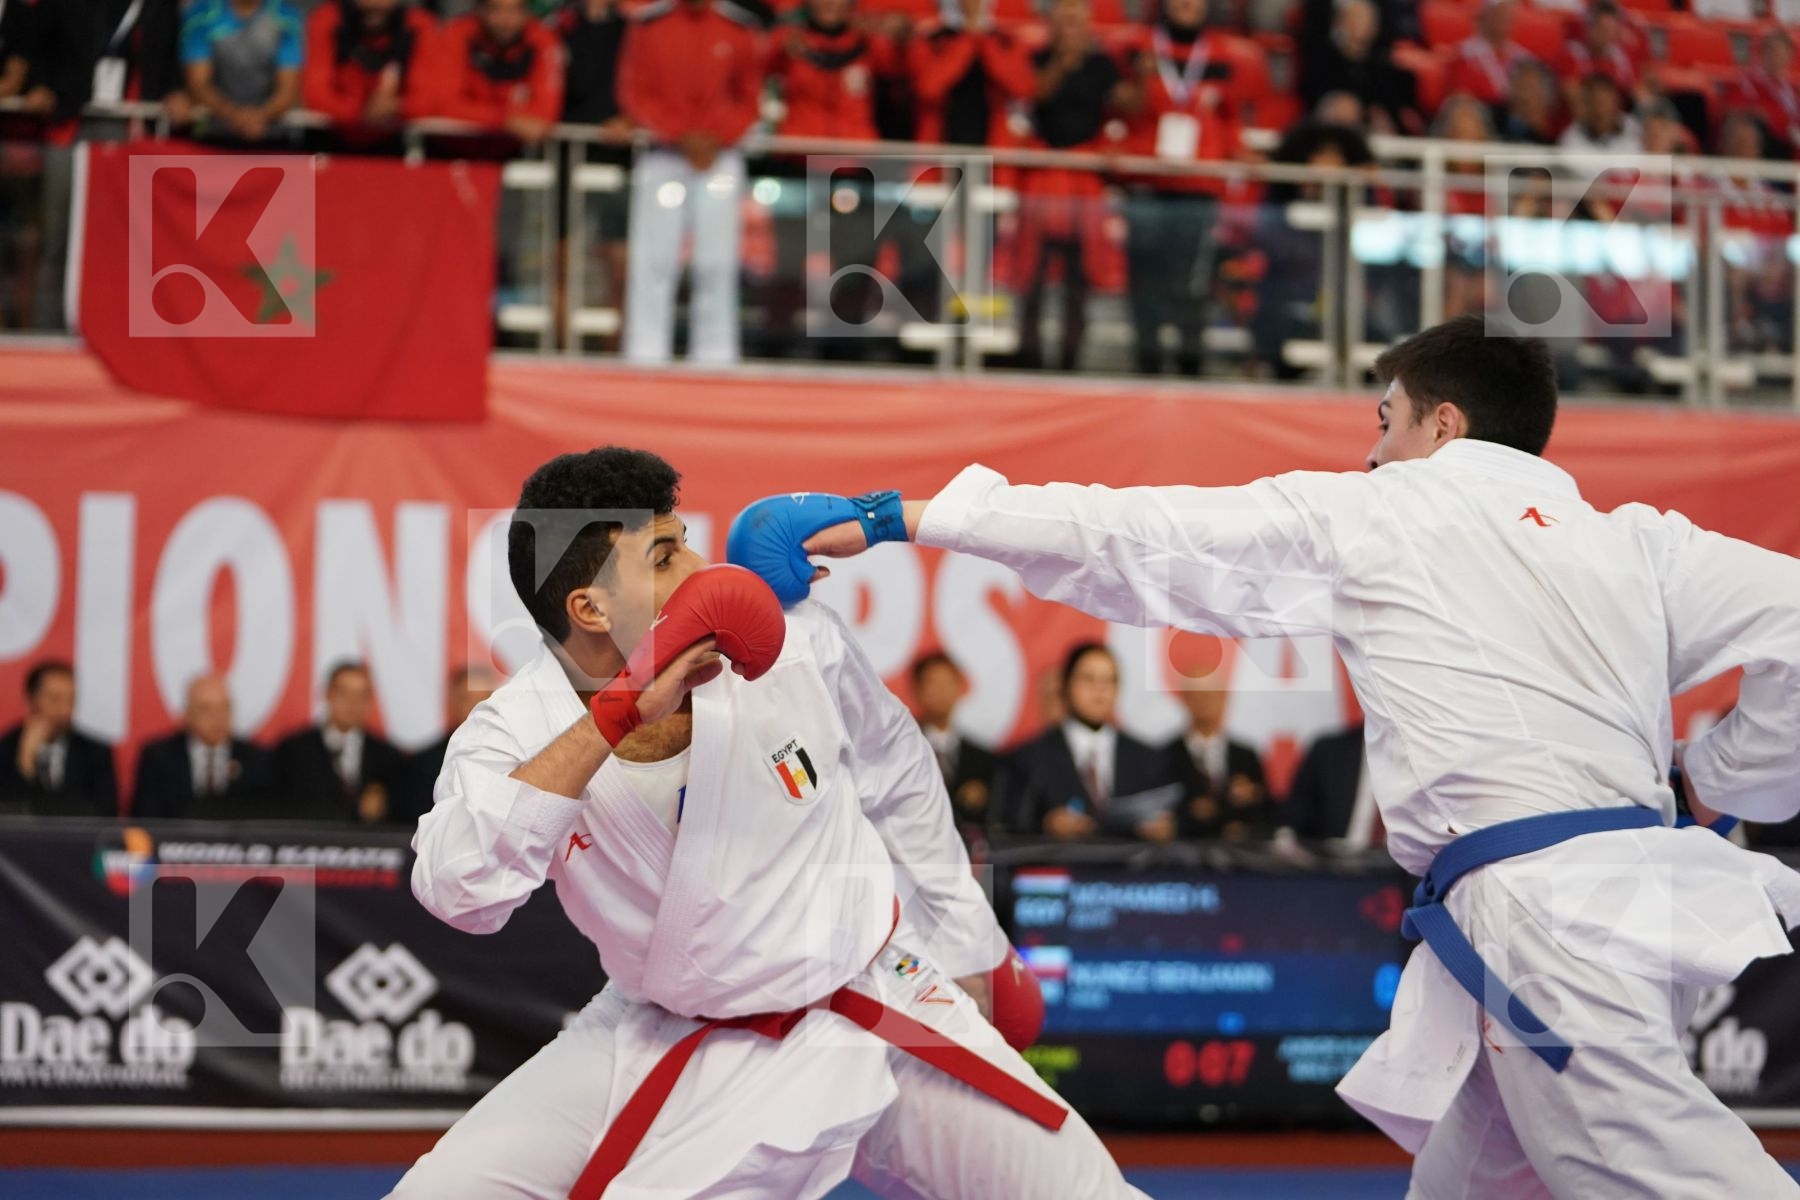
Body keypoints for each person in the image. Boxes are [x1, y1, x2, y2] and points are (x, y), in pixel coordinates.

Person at [742, 313, 1800, 1197]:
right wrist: (1718, 777)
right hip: (1614, 901)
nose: (1371, 447)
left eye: (1383, 419)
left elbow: (1139, 531)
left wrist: (902, 516)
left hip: (1539, 917)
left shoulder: (1388, 508)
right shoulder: (1640, 541)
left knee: (1672, 1176)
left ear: (1444, 421)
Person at [394, 447, 1138, 1199]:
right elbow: (461, 892)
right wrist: (617, 715)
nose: (700, 571)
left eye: (685, 540)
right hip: (669, 1028)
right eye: (663, 556)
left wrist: (969, 940)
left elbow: (896, 768)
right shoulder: (515, 730)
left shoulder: (787, 644)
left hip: (874, 999)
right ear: (589, 609)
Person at [616, 0, 764, 365]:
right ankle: (645, 354)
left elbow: (750, 98)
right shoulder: (649, 26)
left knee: (717, 261)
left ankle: (715, 356)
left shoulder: (738, 29)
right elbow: (634, 90)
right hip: (664, 155)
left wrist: (717, 137)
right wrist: (680, 134)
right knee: (653, 260)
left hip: (719, 157)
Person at [1120, 0, 1244, 378]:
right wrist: (1139, 80)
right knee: (1146, 281)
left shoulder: (1222, 54)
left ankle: (1191, 364)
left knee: (1193, 284)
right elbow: (1122, 108)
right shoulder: (1137, 47)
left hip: (1197, 188)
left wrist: (1239, 152)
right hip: (1147, 183)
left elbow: (1230, 117)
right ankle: (1148, 362)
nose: (1188, 4)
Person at [1011, 0, 1136, 373]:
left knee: (1079, 275)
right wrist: (1062, 63)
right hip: (1043, 173)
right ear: (1051, 25)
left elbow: (1127, 104)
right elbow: (1035, 95)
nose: (1071, 29)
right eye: (1064, 22)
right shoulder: (1038, 57)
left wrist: (1139, 73)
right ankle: (1028, 353)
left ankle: (1071, 355)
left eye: (1077, 22)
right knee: (1031, 270)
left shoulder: (1101, 65)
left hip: (1082, 178)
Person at [993, 643, 1185, 841]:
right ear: (1066, 686)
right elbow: (1005, 827)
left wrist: (1166, 829)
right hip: (1063, 868)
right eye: (1088, 678)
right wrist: (1045, 824)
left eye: (1109, 680)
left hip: (1130, 870)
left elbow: (1175, 823)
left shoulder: (1148, 758)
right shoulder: (1029, 758)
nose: (1100, 689)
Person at [271, 661, 407, 824]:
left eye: (361, 695)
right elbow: (281, 809)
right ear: (328, 694)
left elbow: (401, 816)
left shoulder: (388, 757)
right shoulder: (293, 751)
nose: (353, 703)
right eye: (344, 693)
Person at [132, 675, 272, 820]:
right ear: (187, 713)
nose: (218, 718)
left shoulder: (256, 759)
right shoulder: (159, 758)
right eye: (206, 709)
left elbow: (265, 819)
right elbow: (145, 820)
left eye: (224, 708)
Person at [428, 0, 565, 145]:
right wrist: (504, 120)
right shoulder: (457, 33)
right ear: (480, 10)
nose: (505, 20)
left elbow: (542, 116)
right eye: (495, 10)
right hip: (455, 147)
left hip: (519, 152)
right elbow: (441, 104)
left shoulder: (542, 40)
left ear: (527, 12)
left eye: (514, 10)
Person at [302, 0, 438, 135]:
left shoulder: (418, 24)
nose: (374, 3)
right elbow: (315, 95)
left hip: (394, 135)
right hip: (332, 134)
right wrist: (362, 113)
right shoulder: (329, 20)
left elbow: (427, 101)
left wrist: (396, 106)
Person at [0, 661, 118, 817]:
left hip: (77, 840)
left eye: (71, 700)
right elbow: (8, 812)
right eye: (55, 699)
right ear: (30, 701)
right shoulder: (6, 748)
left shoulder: (94, 753)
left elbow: (104, 813)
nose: (65, 710)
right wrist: (25, 762)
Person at [180, 0, 305, 143]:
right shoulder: (201, 14)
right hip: (211, 134)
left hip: (272, 134)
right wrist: (233, 115)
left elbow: (288, 90)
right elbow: (198, 84)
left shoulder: (286, 17)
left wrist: (260, 116)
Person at [395, 664, 496, 825]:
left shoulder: (516, 760)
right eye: (467, 699)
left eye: (482, 701)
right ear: (453, 700)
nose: (475, 710)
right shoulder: (423, 765)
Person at [1298, 0, 1419, 135]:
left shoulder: (1383, 68)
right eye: (1357, 19)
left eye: (1367, 20)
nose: (1363, 25)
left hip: (1376, 133)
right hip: (1327, 126)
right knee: (1345, 108)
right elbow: (1313, 93)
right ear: (1341, 21)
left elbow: (1394, 108)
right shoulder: (1323, 58)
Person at [910, 650, 999, 833]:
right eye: (933, 683)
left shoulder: (983, 758)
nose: (942, 691)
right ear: (917, 690)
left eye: (948, 682)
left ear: (959, 688)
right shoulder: (903, 750)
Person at [1171, 682, 1269, 841]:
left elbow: (1267, 808)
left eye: (1211, 695)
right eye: (1197, 696)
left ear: (1224, 698)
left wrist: (1251, 798)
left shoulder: (1245, 756)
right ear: (1185, 699)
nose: (1204, 702)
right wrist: (1189, 811)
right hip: (1184, 852)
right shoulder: (1166, 755)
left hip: (1238, 855)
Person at [1282, 722, 1378, 846]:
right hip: (1339, 859)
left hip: (1404, 862)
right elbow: (1295, 818)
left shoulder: (1410, 754)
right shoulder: (1328, 752)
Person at [1445, 0, 1533, 113]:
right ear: (1484, 17)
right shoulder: (1464, 55)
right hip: (1481, 119)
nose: (1501, 20)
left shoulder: (1524, 58)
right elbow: (1461, 101)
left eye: (1505, 15)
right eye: (1497, 14)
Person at [1724, 29, 1800, 158]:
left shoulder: (1789, 89)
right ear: (1762, 53)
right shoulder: (1746, 81)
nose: (1778, 59)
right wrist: (1768, 117)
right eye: (1773, 52)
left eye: (1783, 54)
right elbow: (1733, 112)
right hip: (1769, 141)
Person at [1558, 72, 1639, 154]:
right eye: (1595, 101)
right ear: (1586, 104)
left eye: (1605, 101)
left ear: (1617, 101)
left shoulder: (1635, 129)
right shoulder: (1571, 137)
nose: (1601, 109)